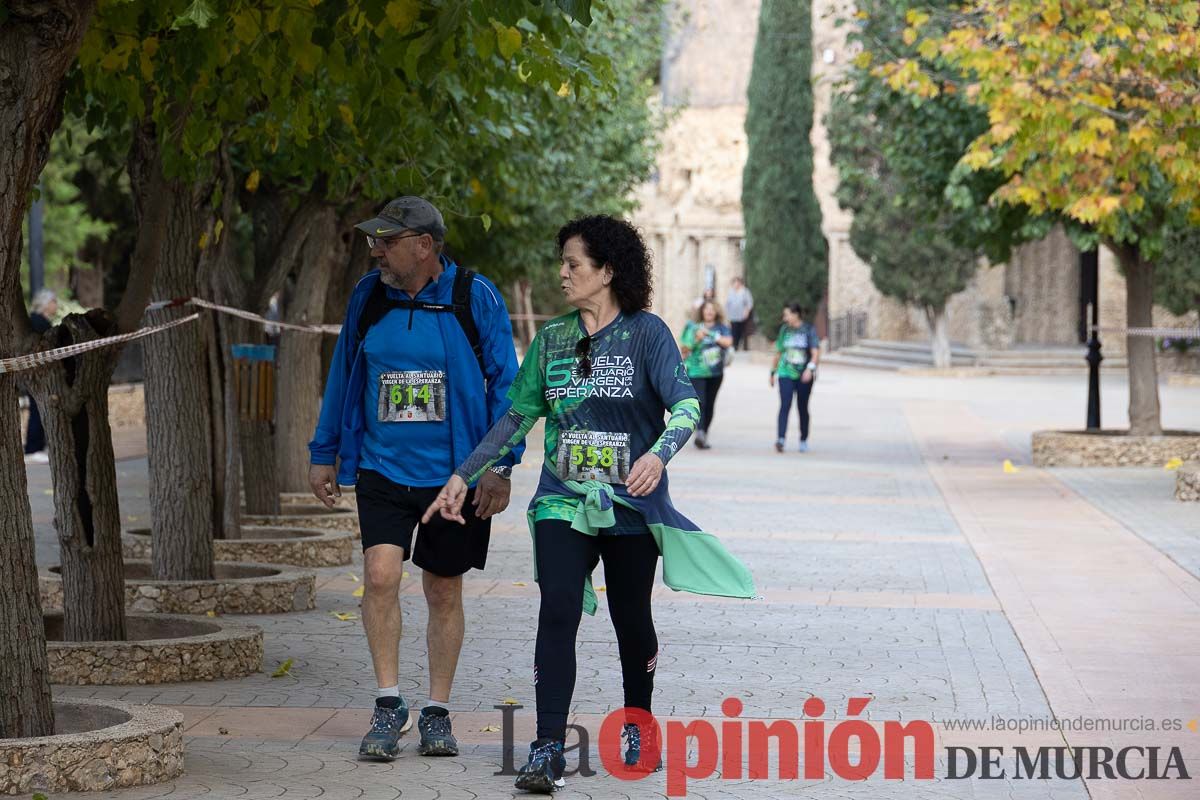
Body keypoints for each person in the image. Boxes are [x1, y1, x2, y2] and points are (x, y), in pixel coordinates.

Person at [421, 215, 755, 794]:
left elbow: (685, 407)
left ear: (607, 271)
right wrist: (463, 475)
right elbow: (516, 417)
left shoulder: (648, 335)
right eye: (564, 262)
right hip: (562, 502)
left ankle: (638, 724)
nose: (563, 273)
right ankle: (547, 747)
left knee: (632, 620)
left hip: (630, 505)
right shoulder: (552, 340)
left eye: (574, 264)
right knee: (557, 611)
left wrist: (658, 455)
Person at [307, 196, 525, 762]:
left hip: (454, 477)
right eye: (374, 240)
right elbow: (343, 373)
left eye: (387, 241)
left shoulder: (473, 297)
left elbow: (510, 389)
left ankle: (436, 711)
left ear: (424, 246)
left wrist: (498, 466)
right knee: (379, 575)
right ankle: (387, 702)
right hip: (382, 467)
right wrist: (324, 450)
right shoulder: (367, 296)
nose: (375, 250)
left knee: (442, 587)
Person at [679, 300, 733, 449]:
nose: (709, 312)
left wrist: (712, 335)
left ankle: (704, 433)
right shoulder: (693, 327)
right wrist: (697, 338)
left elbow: (728, 342)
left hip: (716, 372)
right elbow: (685, 349)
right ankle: (700, 432)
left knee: (710, 404)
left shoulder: (722, 328)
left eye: (712, 309)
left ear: (716, 312)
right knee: (700, 401)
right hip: (696, 371)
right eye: (706, 309)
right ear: (701, 311)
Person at [769, 302, 821, 453]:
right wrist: (773, 372)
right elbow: (778, 352)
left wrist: (810, 369)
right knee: (785, 405)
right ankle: (780, 439)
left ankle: (803, 439)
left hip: (804, 375)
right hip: (785, 373)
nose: (785, 318)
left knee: (802, 407)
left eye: (787, 315)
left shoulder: (808, 330)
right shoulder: (784, 330)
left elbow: (816, 352)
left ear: (796, 314)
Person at [24, 289, 57, 464]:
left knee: (38, 408)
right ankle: (33, 448)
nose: (56, 305)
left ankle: (36, 446)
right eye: (54, 301)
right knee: (37, 408)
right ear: (46, 303)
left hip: (36, 373)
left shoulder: (37, 321)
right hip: (36, 374)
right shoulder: (39, 322)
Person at [725, 276, 754, 351]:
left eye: (737, 282)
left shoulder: (745, 291)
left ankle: (739, 345)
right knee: (733, 331)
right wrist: (727, 315)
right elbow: (728, 304)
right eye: (734, 282)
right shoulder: (731, 292)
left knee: (741, 331)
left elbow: (749, 302)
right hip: (732, 315)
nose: (736, 284)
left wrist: (747, 311)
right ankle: (734, 345)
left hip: (742, 315)